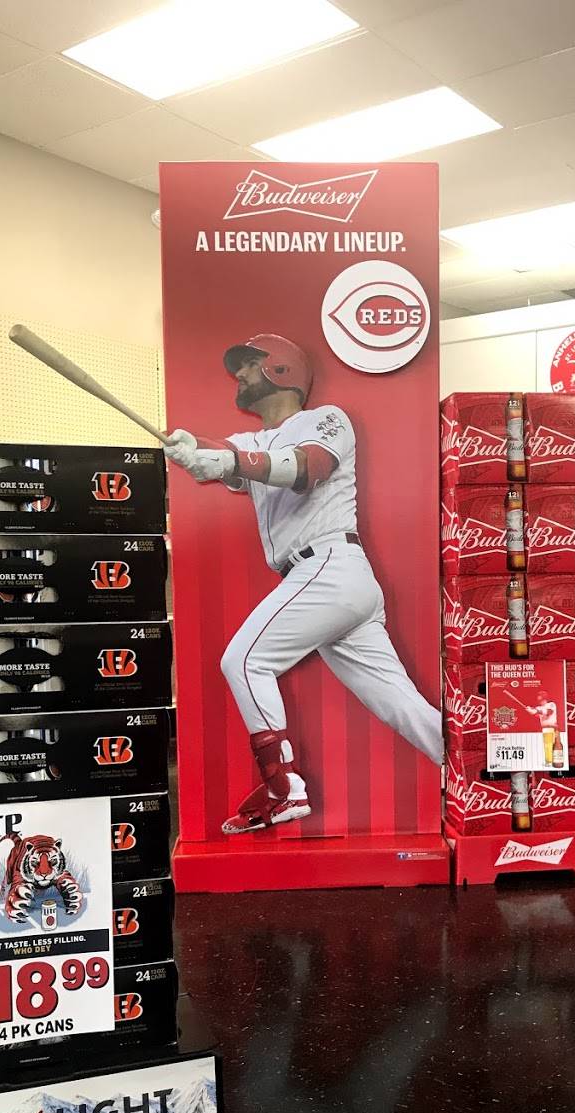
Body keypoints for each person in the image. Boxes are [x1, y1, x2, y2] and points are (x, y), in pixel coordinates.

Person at [163, 333, 442, 835]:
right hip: (329, 582)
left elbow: (307, 467)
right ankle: (478, 777)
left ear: (280, 369)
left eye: (249, 364)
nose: (239, 375)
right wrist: (192, 449)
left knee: (244, 660)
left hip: (329, 565)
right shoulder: (253, 442)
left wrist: (228, 462)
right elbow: (226, 453)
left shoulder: (326, 419)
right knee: (403, 707)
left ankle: (283, 789)